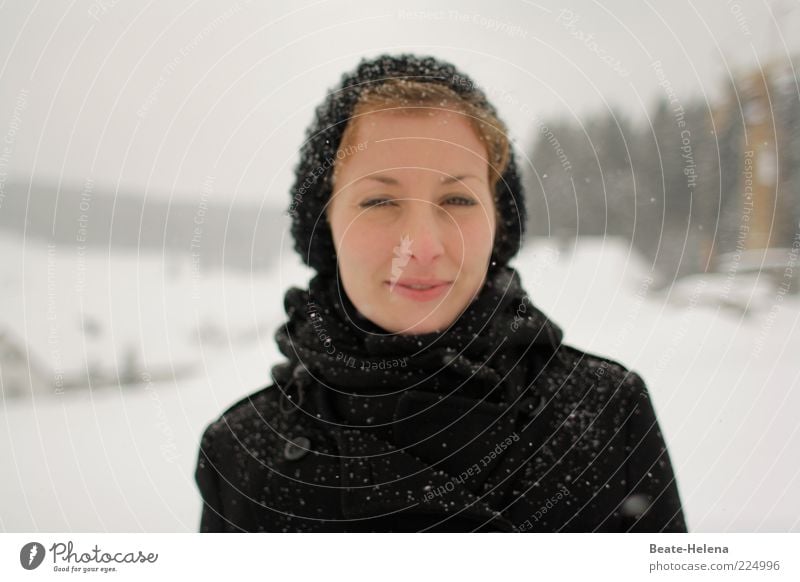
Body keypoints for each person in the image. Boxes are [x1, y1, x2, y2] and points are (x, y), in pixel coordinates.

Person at [194, 53, 687, 533]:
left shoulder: (606, 412)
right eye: (380, 200)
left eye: (457, 198)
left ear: (499, 222)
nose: (424, 247)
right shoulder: (241, 453)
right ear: (327, 224)